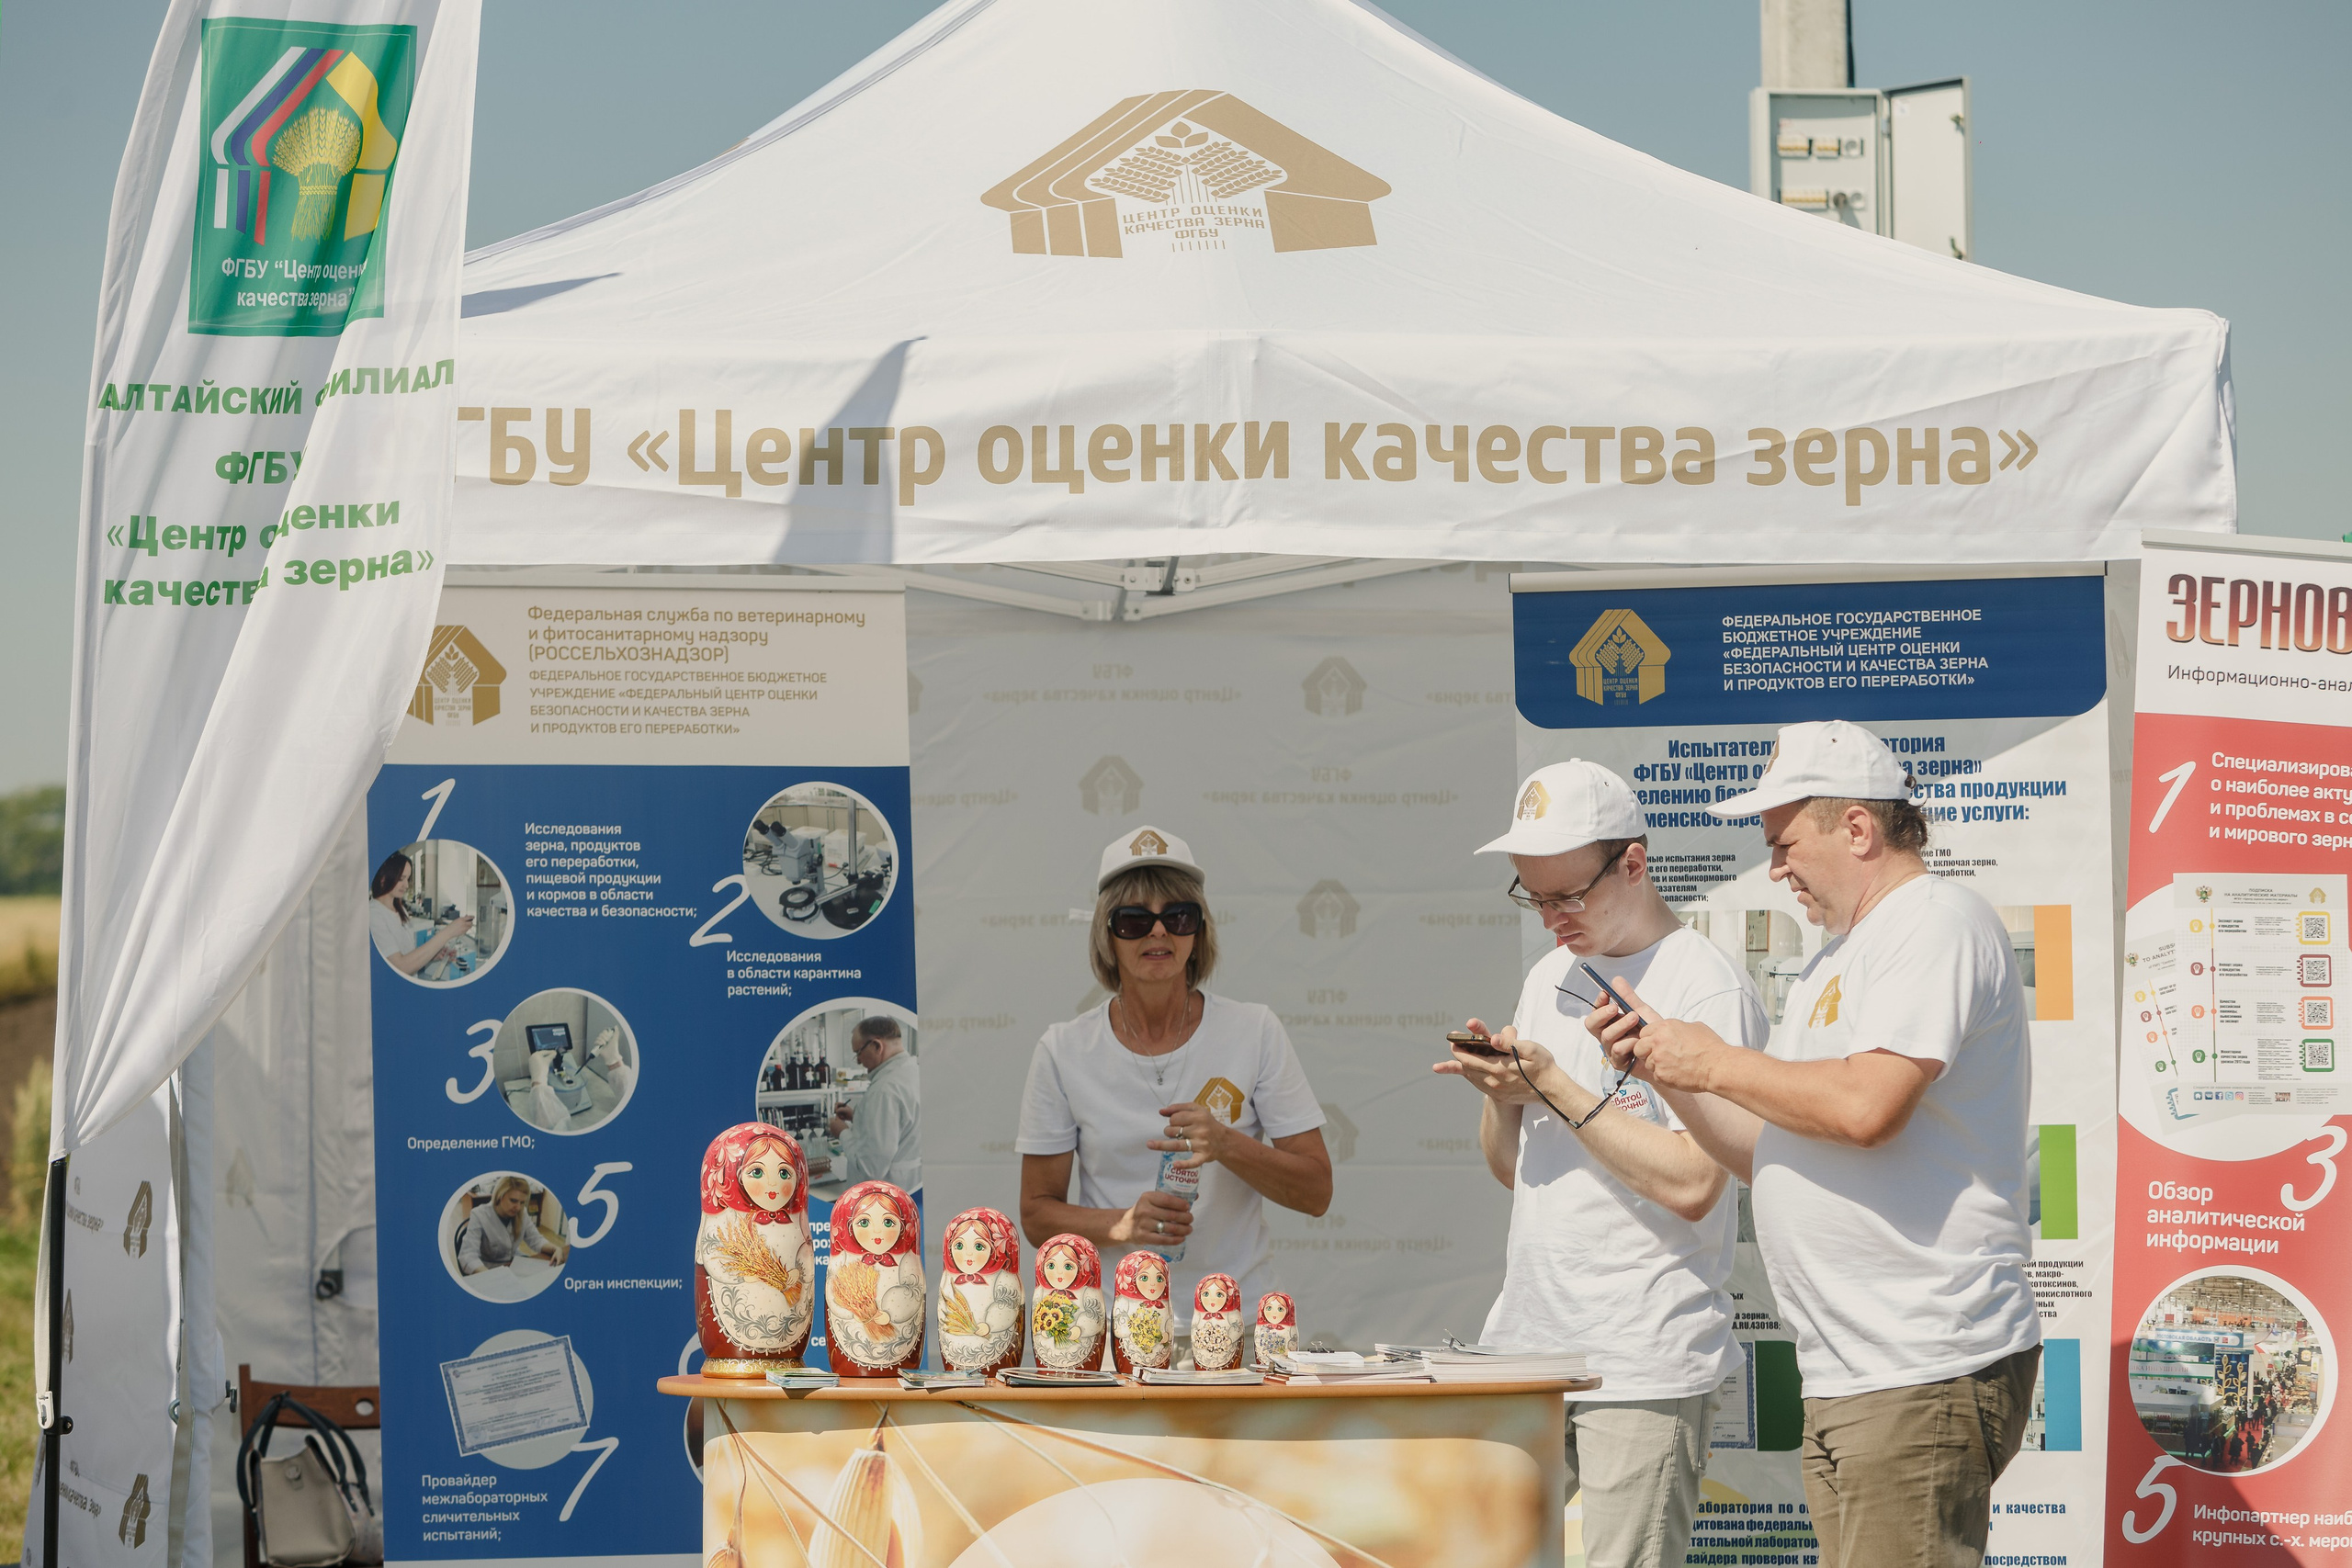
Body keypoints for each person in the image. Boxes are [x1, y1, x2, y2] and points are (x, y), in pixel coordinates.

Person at [1594, 720, 2041, 1568]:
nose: (1776, 868)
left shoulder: (1935, 920)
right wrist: (1668, 1070)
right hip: (1857, 1371)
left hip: (1919, 1363)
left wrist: (1717, 1058)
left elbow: (1869, 1107)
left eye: (1786, 842)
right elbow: (1764, 1150)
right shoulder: (1840, 954)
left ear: (1860, 829)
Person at [1437, 761, 1768, 1568]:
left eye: (1567, 896)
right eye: (1533, 896)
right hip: (1530, 1342)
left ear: (1633, 861)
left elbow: (1696, 1182)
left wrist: (1550, 1083)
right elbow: (1516, 1172)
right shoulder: (1549, 975)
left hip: (1642, 1356)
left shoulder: (1706, 986)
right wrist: (1503, 1091)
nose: (1551, 919)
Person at [1016, 826, 1330, 1321]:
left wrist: (1227, 1144)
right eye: (1134, 920)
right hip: (1116, 1328)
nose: (1158, 932)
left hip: (1239, 1323)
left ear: (1198, 933)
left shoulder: (1255, 1030)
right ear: (1107, 935)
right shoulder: (1063, 1049)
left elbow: (1316, 1192)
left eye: (1178, 917)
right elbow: (1036, 1213)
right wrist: (1121, 1224)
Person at [828, 1017, 921, 1191]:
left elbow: (870, 1168)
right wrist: (858, 1117)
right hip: (909, 1184)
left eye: (858, 1052)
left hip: (883, 1194)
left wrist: (842, 1132)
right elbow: (901, 1126)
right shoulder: (913, 1073)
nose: (858, 1061)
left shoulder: (884, 1089)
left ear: (877, 1046)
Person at [368, 850, 473, 977]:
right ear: (383, 879)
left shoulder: (400, 910)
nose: (406, 885)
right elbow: (400, 967)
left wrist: (433, 955)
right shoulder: (373, 914)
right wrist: (449, 932)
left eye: (408, 879)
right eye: (401, 878)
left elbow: (407, 954)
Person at [456, 1175, 565, 1275]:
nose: (518, 1207)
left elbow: (535, 1239)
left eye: (522, 1202)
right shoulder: (479, 1215)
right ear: (500, 1196)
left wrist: (555, 1249)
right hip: (489, 1269)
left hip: (515, 1264)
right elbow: (467, 1256)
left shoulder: (522, 1213)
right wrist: (488, 1275)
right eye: (513, 1201)